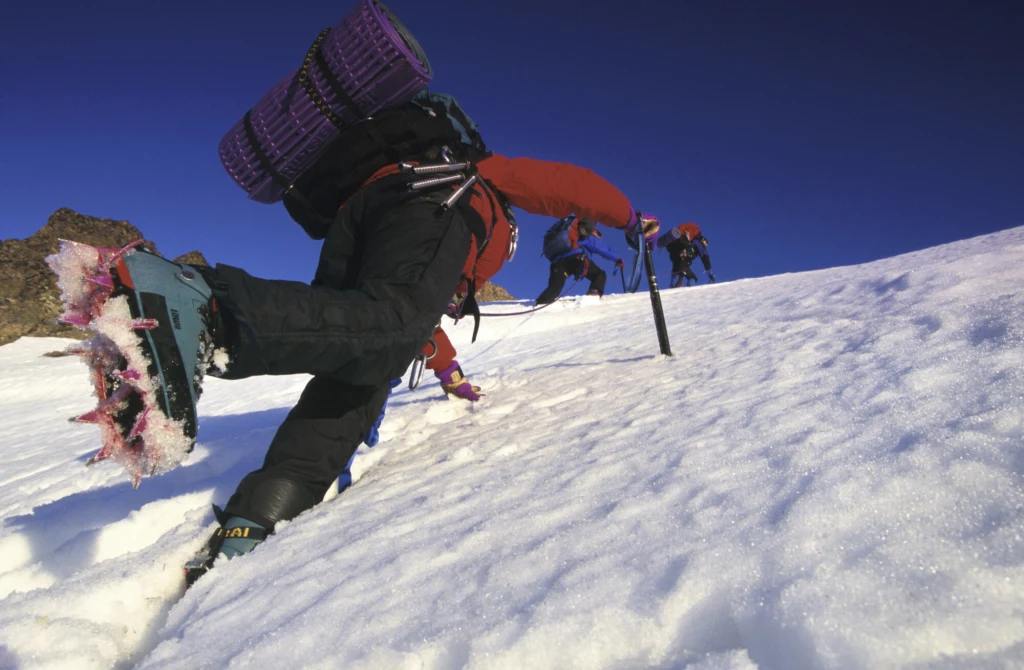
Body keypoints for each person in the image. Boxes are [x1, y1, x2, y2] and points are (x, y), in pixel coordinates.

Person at [535, 216, 625, 304]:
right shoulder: (591, 236)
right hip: (576, 259)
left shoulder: (573, 231)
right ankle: (592, 298)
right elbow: (604, 250)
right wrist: (618, 259)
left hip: (557, 261)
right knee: (600, 275)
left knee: (555, 287)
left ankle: (540, 303)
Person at [656, 222, 716, 287]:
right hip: (683, 261)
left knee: (677, 275)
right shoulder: (698, 242)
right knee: (693, 278)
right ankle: (689, 293)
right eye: (706, 244)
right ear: (703, 240)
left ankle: (673, 287)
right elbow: (704, 256)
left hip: (675, 257)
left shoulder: (686, 243)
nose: (706, 246)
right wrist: (710, 272)